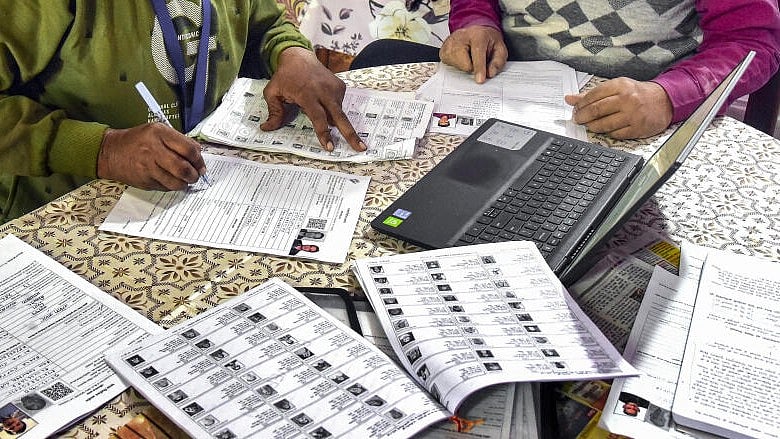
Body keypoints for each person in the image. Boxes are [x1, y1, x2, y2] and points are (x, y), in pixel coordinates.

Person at [0, 0, 368, 223]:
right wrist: (103, 150)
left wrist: (292, 54)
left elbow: (265, 23)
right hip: (68, 214)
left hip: (200, 197)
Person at [353, 0, 780, 140]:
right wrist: (475, 20)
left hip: (637, 116)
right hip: (505, 93)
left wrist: (671, 96)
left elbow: (754, 40)